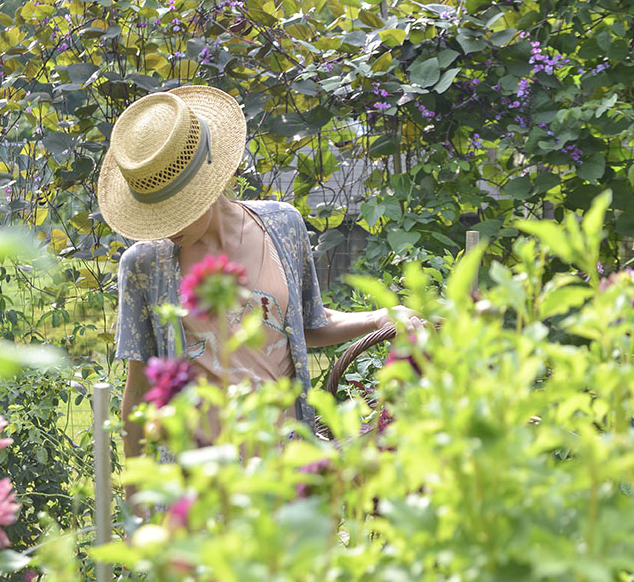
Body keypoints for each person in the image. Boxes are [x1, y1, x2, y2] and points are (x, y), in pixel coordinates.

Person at [97, 85, 422, 459]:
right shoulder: (144, 266)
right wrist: (139, 496)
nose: (169, 227)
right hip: (200, 479)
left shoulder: (283, 226)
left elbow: (307, 324)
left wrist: (379, 317)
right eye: (159, 214)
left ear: (207, 183)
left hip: (284, 467)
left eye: (179, 208)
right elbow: (138, 389)